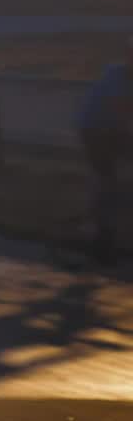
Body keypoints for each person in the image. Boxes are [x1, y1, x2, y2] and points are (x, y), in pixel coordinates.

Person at [76, 35, 133, 265]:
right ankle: (102, 243)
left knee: (120, 184)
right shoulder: (116, 77)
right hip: (94, 132)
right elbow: (124, 107)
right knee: (108, 183)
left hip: (114, 131)